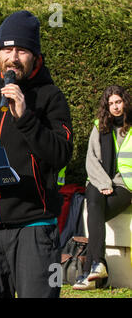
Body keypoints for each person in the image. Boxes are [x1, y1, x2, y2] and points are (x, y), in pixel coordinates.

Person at [0, 11, 73, 298]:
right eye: (7, 49)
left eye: (22, 50)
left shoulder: (50, 98)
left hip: (35, 228)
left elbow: (61, 153)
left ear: (35, 56)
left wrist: (26, 118)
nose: (13, 57)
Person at [73, 85, 132, 290]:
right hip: (99, 181)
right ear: (106, 107)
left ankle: (92, 269)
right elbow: (91, 160)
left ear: (125, 102)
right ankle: (97, 265)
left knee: (95, 213)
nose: (115, 107)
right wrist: (104, 183)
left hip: (125, 185)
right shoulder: (100, 127)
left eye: (118, 102)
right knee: (94, 197)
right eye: (111, 103)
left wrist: (113, 184)